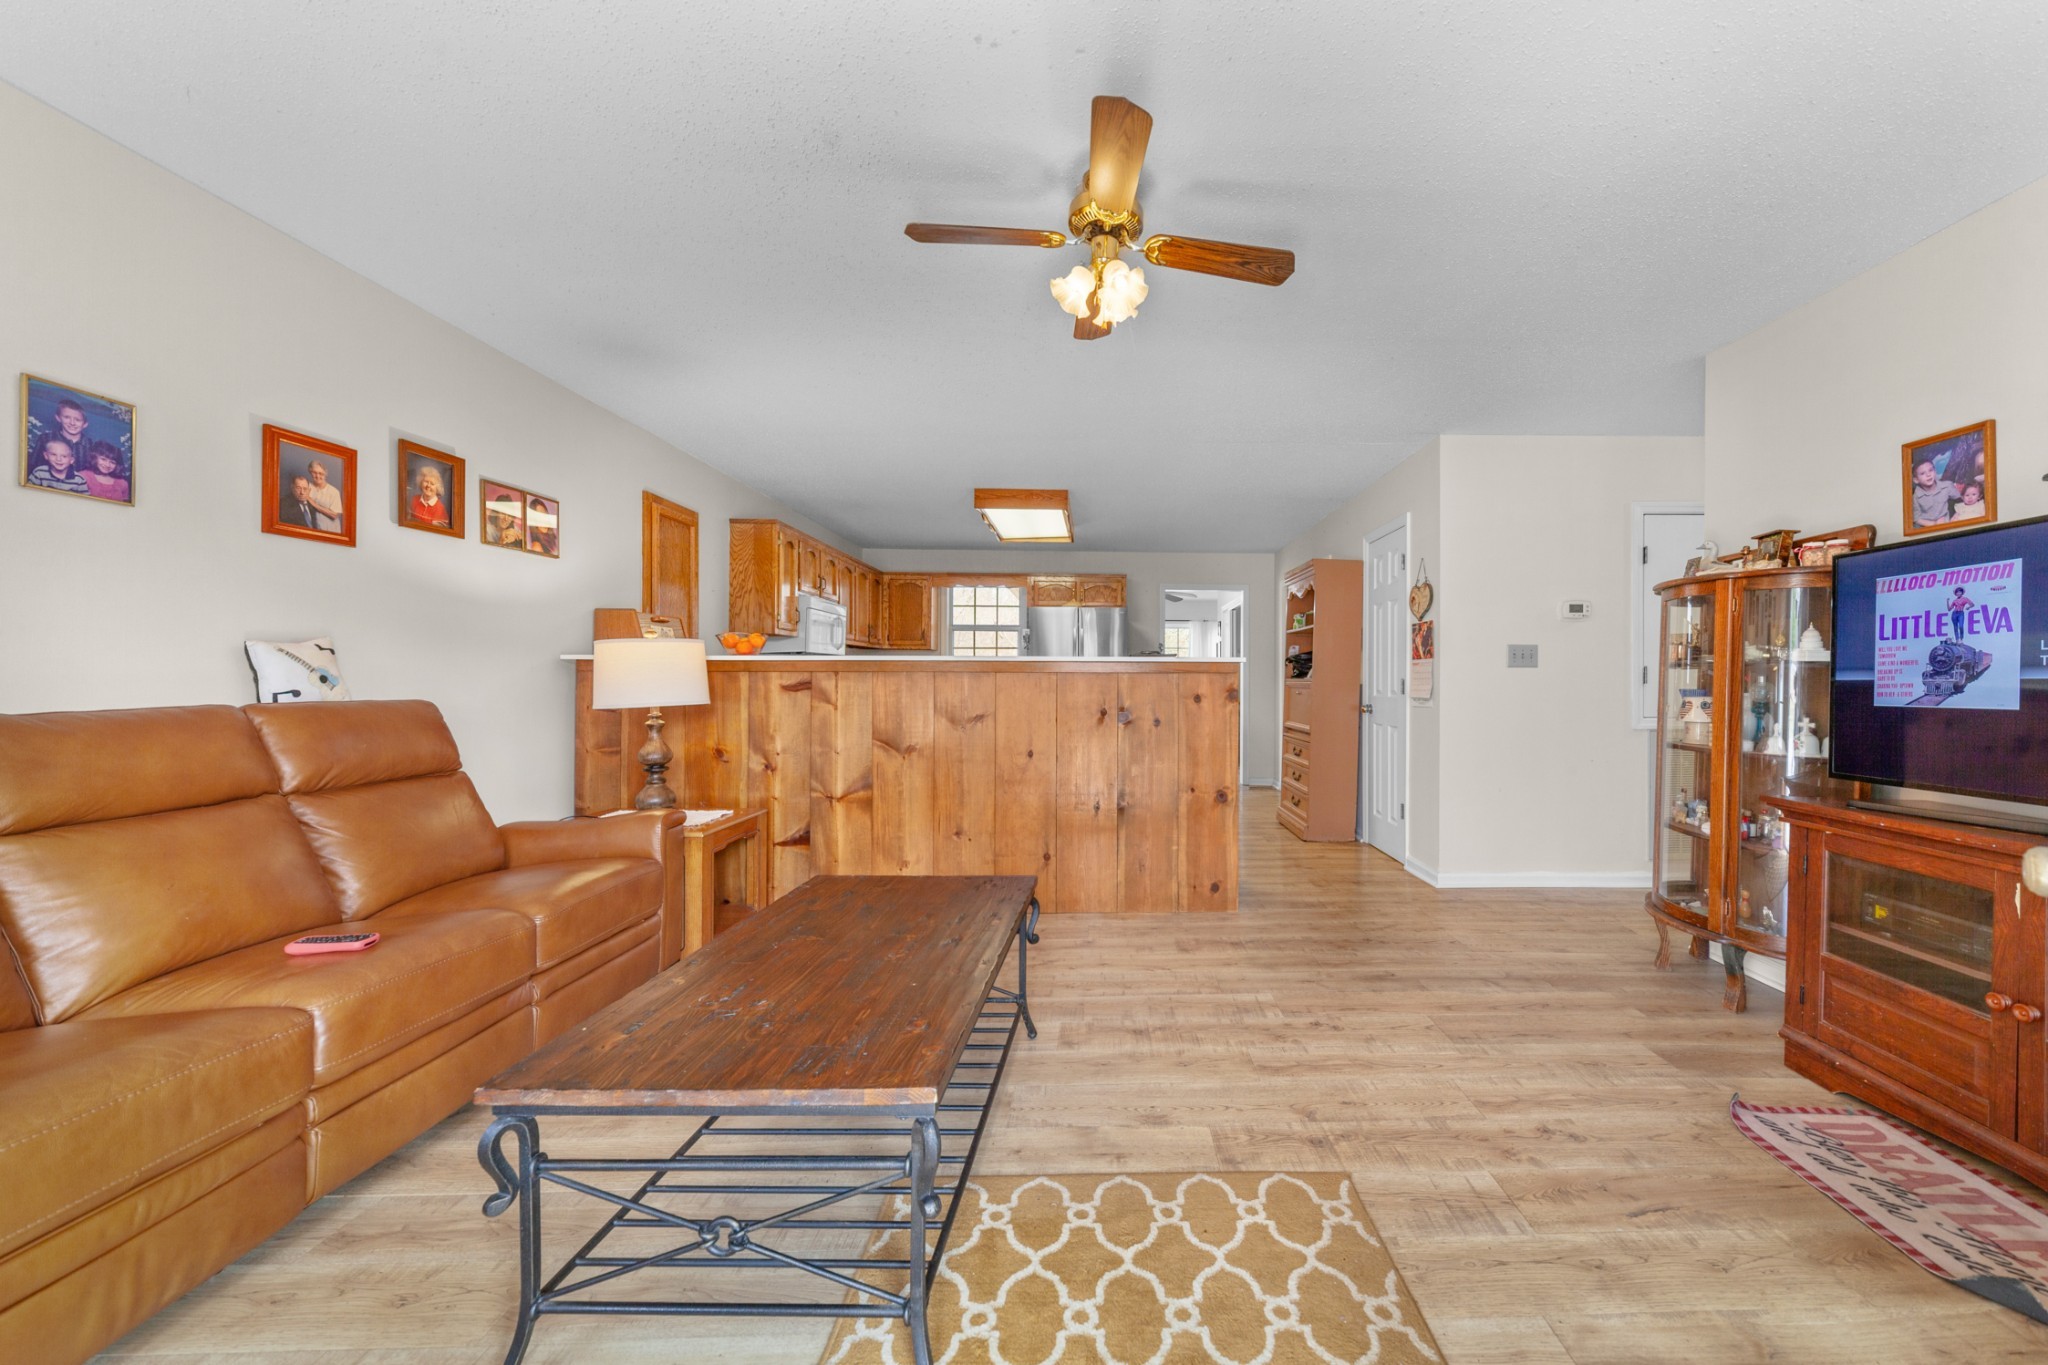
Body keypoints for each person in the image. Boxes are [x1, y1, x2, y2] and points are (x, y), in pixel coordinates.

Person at [1911, 457, 1961, 528]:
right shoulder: (1915, 497)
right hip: (1926, 526)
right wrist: (1934, 524)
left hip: (1945, 522)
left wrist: (1956, 515)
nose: (1928, 475)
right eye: (1922, 473)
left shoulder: (1947, 486)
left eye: (1930, 470)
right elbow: (1916, 518)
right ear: (1916, 480)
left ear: (1935, 471)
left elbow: (1960, 501)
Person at [304, 460, 344, 533]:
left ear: (325, 474)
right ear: (310, 472)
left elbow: (334, 515)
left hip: (330, 530)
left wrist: (314, 504)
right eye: (314, 472)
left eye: (321, 473)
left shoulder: (334, 492)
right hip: (312, 528)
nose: (318, 476)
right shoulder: (307, 486)